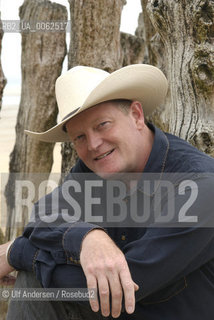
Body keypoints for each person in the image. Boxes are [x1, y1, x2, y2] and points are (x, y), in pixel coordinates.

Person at [1, 64, 214, 320]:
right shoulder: (95, 168)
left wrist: (23, 253)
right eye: (79, 137)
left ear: (136, 115)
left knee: (36, 274)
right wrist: (88, 238)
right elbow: (47, 212)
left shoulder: (200, 185)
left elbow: (126, 288)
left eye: (102, 124)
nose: (93, 145)